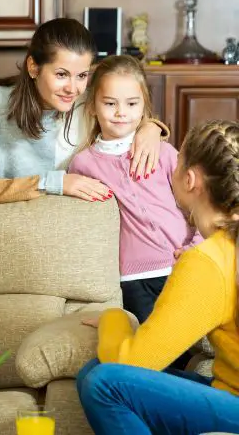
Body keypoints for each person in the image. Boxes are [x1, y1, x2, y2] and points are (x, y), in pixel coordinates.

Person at [76, 120, 239, 435]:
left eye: (177, 163)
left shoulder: (208, 259)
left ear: (189, 180)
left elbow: (130, 364)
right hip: (227, 392)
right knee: (94, 373)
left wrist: (115, 317)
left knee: (103, 384)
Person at [0, 18, 168, 204]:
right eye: (61, 74)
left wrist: (151, 128)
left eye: (81, 75)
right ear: (33, 67)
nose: (72, 89)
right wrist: (56, 183)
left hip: (75, 228)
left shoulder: (88, 102)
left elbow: (127, 116)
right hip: (16, 228)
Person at [68, 56, 202, 326]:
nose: (121, 112)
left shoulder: (163, 151)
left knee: (185, 341)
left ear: (144, 107)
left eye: (132, 103)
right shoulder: (82, 164)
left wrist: (197, 246)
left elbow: (200, 200)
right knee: (155, 351)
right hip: (133, 279)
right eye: (110, 103)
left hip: (184, 266)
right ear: (93, 106)